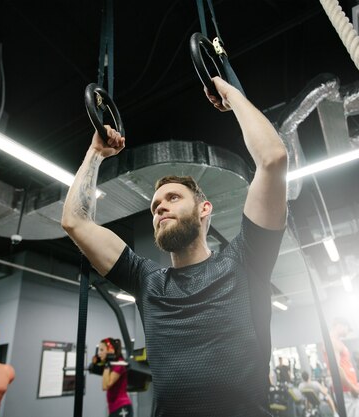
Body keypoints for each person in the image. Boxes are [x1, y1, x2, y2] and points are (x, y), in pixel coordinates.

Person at [61, 76, 288, 417]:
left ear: (204, 208)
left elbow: (272, 159)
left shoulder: (246, 261)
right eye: (154, 207)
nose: (160, 208)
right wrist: (95, 152)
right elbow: (75, 222)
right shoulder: (147, 281)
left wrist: (231, 95)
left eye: (172, 198)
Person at [328, 317, 359, 417]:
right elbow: (336, 369)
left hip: (349, 389)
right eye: (348, 329)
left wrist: (358, 388)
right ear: (340, 325)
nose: (347, 333)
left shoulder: (337, 342)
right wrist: (353, 388)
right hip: (346, 390)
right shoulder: (333, 342)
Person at [97, 337, 133, 417]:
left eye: (102, 350)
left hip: (121, 407)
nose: (99, 353)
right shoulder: (112, 364)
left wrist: (107, 365)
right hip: (114, 407)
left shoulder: (119, 364)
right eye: (99, 350)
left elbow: (105, 386)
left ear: (111, 350)